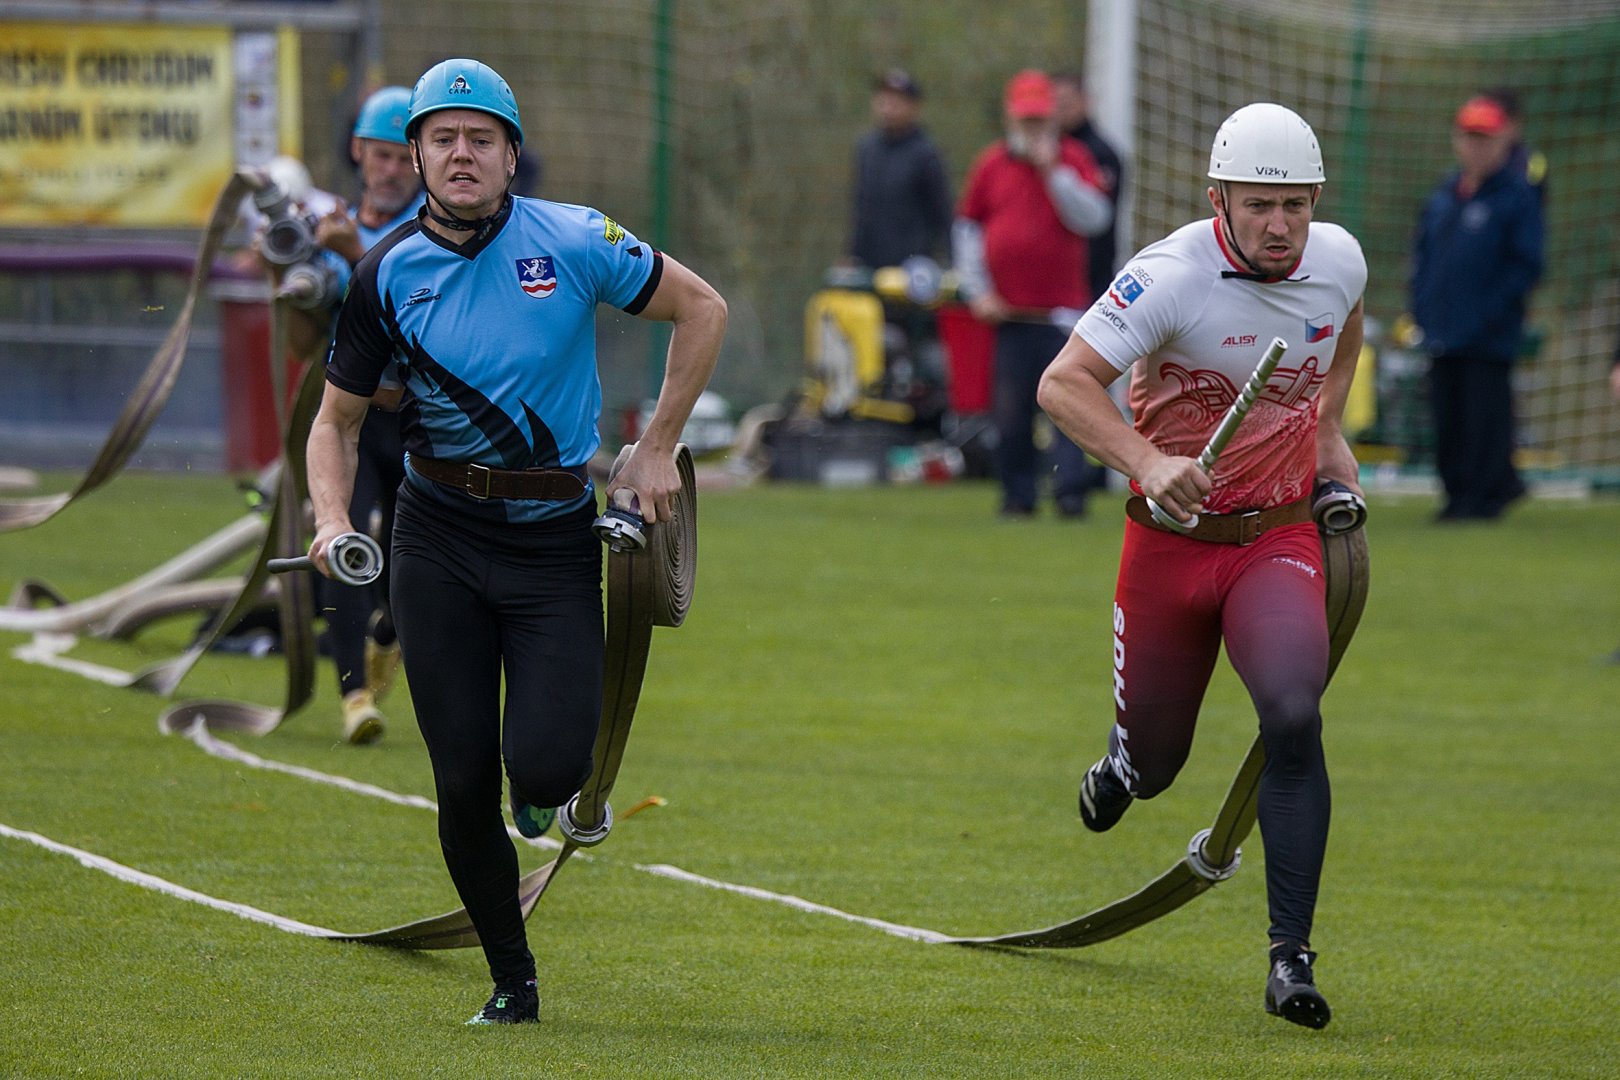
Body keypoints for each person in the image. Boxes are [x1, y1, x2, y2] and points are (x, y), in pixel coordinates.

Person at [303, 58, 726, 1025]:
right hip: (437, 541)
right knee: (461, 779)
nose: (462, 154)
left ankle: (542, 795)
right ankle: (513, 978)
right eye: (442, 138)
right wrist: (331, 520)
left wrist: (656, 445)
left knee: (545, 767)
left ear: (510, 155)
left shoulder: (575, 238)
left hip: (552, 546)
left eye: (481, 138)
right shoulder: (382, 274)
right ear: (416, 155)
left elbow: (703, 309)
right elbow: (335, 423)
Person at [1036, 102, 1367, 1029]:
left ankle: (1290, 959)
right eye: (1259, 204)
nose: (1280, 226)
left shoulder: (1340, 261)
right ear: (1218, 198)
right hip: (1169, 547)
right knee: (1157, 767)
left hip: (1276, 540)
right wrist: (1147, 461)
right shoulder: (1169, 276)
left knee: (1293, 717)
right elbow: (1061, 384)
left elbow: (1347, 327)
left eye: (1295, 205)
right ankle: (1123, 763)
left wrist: (1327, 429)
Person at [312, 85, 421, 745]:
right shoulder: (329, 227)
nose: (391, 170)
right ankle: (353, 694)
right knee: (341, 543)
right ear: (358, 151)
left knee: (417, 555)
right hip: (348, 416)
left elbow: (414, 319)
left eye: (403, 158)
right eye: (381, 155)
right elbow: (301, 342)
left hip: (416, 421)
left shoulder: (431, 234)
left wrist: (354, 256)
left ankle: (390, 632)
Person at [954, 69, 1112, 518]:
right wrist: (978, 291)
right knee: (1011, 413)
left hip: (1062, 315)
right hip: (1009, 314)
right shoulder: (991, 164)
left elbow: (1093, 218)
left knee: (1070, 407)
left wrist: (1054, 173)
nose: (1033, 129)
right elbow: (967, 229)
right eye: (1026, 121)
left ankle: (1070, 493)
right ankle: (1017, 496)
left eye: (1039, 120)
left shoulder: (1074, 159)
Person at [1410, 93, 1545, 522]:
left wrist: (1491, 312)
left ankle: (1486, 496)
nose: (1476, 146)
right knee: (1447, 416)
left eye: (1485, 137)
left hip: (1488, 335)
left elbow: (1527, 264)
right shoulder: (1445, 194)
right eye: (1469, 137)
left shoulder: (1517, 196)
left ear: (1502, 141)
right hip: (1441, 329)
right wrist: (1421, 308)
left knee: (1484, 417)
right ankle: (1455, 494)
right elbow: (1424, 256)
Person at [847, 69, 954, 272]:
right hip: (870, 267)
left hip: (912, 270)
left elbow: (942, 213)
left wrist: (952, 261)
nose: (888, 108)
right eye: (884, 101)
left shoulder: (926, 154)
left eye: (896, 102)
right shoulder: (867, 150)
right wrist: (853, 254)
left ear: (913, 107)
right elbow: (861, 209)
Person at [1051, 70, 1126, 302]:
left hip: (1091, 276)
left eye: (1066, 102)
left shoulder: (1101, 154)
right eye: (1055, 103)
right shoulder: (1045, 151)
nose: (1060, 110)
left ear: (1084, 101)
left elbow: (1099, 219)